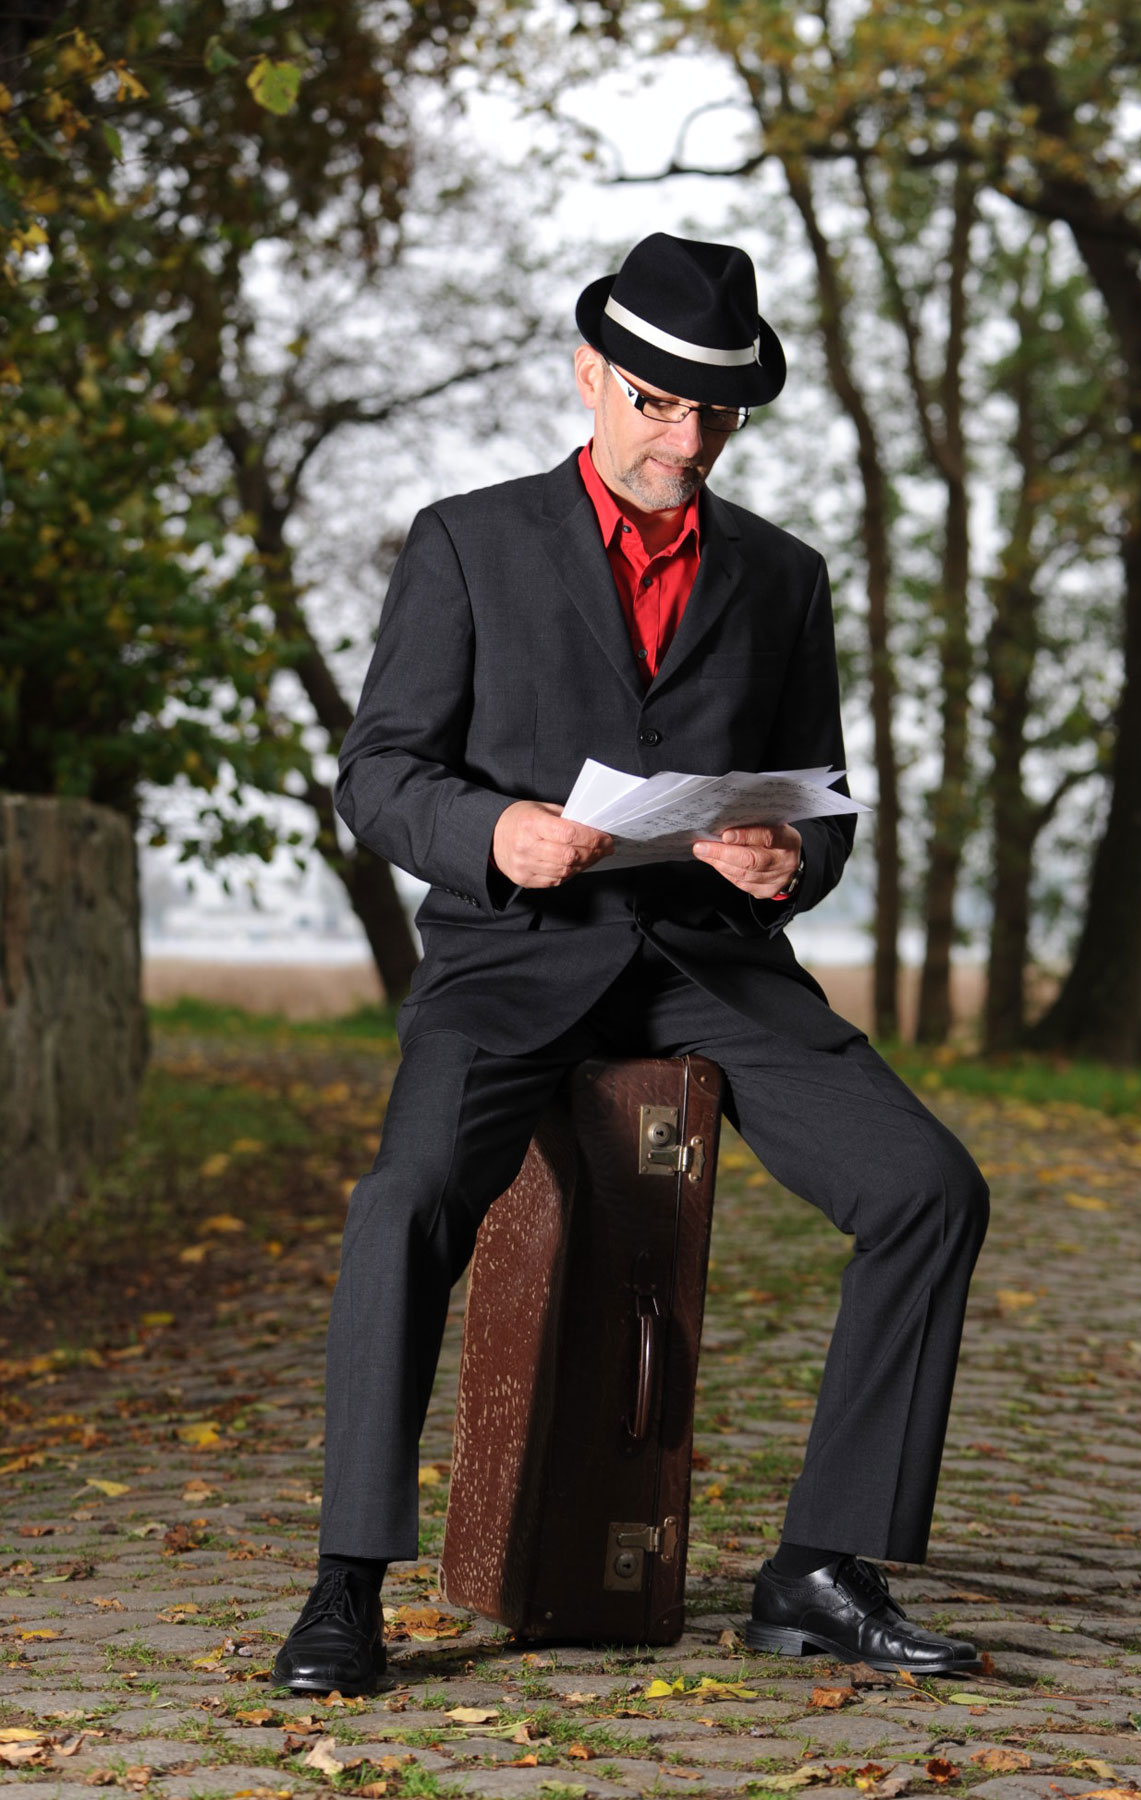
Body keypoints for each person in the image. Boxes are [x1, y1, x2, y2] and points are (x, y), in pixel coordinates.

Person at [272, 233, 990, 1695]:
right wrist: (493, 832)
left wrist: (788, 865)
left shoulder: (782, 580)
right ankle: (346, 1583)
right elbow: (380, 775)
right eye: (657, 404)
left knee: (928, 1189)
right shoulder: (467, 541)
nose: (685, 440)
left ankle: (817, 1568)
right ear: (591, 373)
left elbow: (819, 800)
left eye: (715, 416)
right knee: (406, 1201)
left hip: (708, 966)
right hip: (509, 960)